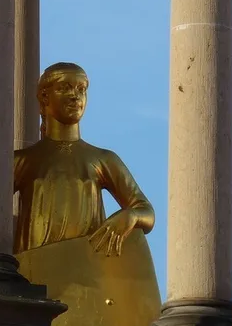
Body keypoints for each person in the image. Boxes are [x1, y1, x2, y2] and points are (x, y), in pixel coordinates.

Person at [14, 62, 155, 255]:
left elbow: (146, 212)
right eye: (65, 88)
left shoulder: (103, 159)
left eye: (81, 89)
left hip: (89, 273)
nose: (75, 96)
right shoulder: (23, 161)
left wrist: (130, 216)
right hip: (33, 272)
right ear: (44, 97)